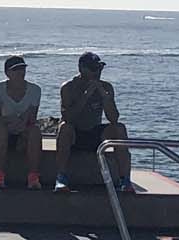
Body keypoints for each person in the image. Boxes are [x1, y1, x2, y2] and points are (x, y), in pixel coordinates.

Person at [54, 52, 132, 192]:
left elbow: (113, 118)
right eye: (93, 69)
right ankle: (61, 178)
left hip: (95, 132)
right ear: (81, 68)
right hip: (75, 133)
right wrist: (86, 96)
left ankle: (124, 180)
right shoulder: (68, 87)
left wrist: (105, 98)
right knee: (64, 128)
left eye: (99, 68)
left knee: (120, 128)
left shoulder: (106, 87)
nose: (97, 72)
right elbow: (68, 117)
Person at [0, 56, 45, 189]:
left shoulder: (35, 90)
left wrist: (22, 122)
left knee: (35, 131)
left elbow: (32, 117)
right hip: (4, 129)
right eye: (16, 70)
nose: (20, 73)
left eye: (22, 69)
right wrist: (12, 120)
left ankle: (33, 177)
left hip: (23, 131)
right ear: (7, 73)